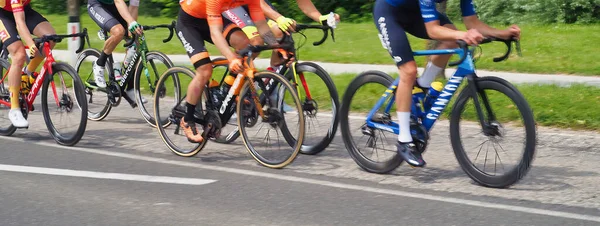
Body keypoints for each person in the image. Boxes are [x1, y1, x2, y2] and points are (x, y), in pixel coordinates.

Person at [373, 0, 521, 167]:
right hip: (389, 12)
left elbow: (472, 22)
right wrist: (464, 35)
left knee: (452, 38)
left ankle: (422, 85)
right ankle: (404, 140)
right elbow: (432, 29)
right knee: (408, 70)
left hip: (414, 12)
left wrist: (502, 33)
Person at [175, 0, 281, 143]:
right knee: (205, 71)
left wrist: (276, 46)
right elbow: (215, 33)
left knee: (249, 44)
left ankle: (226, 89)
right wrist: (231, 58)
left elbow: (262, 24)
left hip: (211, 19)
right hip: (189, 23)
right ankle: (187, 119)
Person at [223, 0, 340, 70]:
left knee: (281, 33)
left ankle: (272, 85)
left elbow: (304, 3)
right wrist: (279, 18)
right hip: (232, 5)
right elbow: (260, 4)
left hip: (255, 5)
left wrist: (320, 18)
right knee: (254, 42)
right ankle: (232, 88)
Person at [1, 0, 56, 128]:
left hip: (24, 9)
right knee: (19, 54)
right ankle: (14, 109)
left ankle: (27, 73)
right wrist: (31, 44)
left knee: (51, 38)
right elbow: (20, 22)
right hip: (2, 15)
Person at [87, 0, 143, 100]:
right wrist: (130, 22)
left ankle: (130, 88)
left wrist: (132, 31)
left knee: (136, 41)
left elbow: (133, 7)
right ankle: (99, 64)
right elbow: (118, 1)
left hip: (115, 7)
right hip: (97, 5)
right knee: (118, 32)